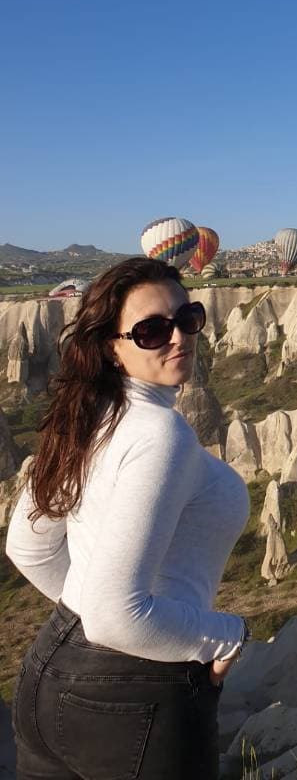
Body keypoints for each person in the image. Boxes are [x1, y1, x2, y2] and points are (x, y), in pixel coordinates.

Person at [5, 257, 251, 779]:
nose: (179, 337)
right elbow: (115, 615)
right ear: (112, 348)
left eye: (189, 319)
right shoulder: (160, 434)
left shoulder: (85, 419)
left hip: (48, 674)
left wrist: (87, 615)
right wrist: (224, 635)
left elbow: (29, 547)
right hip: (140, 691)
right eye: (151, 330)